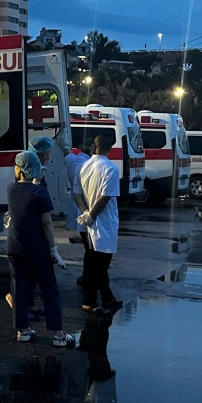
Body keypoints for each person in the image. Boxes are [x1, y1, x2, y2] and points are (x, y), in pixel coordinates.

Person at [5, 150, 71, 347]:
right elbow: (46, 223)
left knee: (18, 288)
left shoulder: (11, 189)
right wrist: (53, 249)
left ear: (19, 170)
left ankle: (23, 330)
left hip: (15, 247)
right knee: (49, 289)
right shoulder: (41, 193)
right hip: (38, 249)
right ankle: (58, 335)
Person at [74, 135, 122, 314]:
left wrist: (85, 212)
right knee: (100, 265)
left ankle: (107, 298)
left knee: (92, 261)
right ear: (110, 149)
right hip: (103, 223)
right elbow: (104, 197)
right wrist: (92, 215)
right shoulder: (111, 168)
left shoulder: (82, 166)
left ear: (93, 147)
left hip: (86, 223)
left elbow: (77, 194)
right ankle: (90, 301)